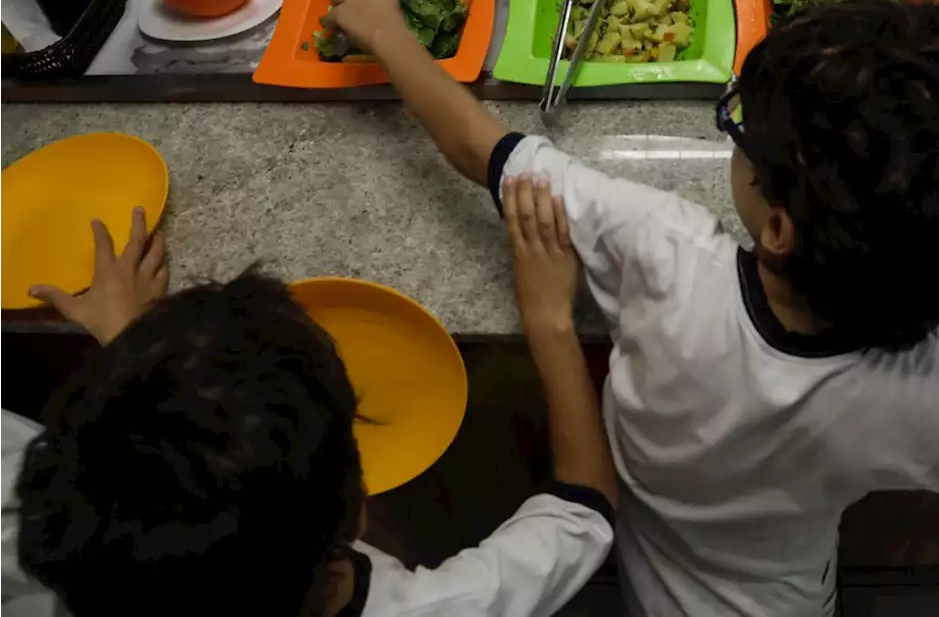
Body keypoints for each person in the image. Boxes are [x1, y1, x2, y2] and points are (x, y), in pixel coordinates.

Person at [326, 0, 939, 617]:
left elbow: (482, 149)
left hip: (645, 560)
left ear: (778, 225)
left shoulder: (660, 249)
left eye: (746, 132)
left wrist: (390, 33)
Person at [1, 193, 616, 617]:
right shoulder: (446, 605)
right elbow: (585, 511)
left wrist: (136, 358)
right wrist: (549, 317)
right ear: (357, 515)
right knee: (507, 381)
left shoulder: (57, 539)